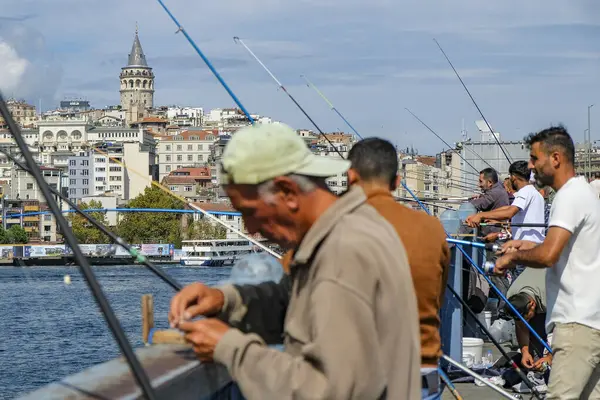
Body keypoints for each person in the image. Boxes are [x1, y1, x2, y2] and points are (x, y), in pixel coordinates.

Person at [169, 123, 421, 399]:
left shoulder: (342, 254)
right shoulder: (358, 226)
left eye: (249, 211)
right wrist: (224, 301)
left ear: (288, 192)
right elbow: (297, 310)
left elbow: (330, 391)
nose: (250, 228)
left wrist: (230, 349)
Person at [241, 137, 450, 399]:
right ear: (396, 182)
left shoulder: (331, 229)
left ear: (350, 177)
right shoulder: (432, 228)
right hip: (421, 374)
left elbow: (283, 292)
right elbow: (438, 300)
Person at [494, 126, 600, 399]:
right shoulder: (583, 193)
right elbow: (565, 248)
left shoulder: (568, 196)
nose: (531, 167)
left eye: (534, 159)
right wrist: (526, 244)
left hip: (577, 326)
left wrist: (514, 256)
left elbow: (549, 255)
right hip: (591, 322)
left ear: (555, 158)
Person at [466, 160, 546, 277]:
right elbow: (508, 208)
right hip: (531, 249)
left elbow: (509, 212)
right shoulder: (533, 193)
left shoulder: (525, 192)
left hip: (526, 251)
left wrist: (481, 215)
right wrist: (491, 218)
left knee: (516, 290)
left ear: (513, 177)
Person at [503, 268, 551, 372]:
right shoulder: (512, 295)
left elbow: (562, 329)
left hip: (561, 295)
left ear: (532, 305)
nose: (524, 322)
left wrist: (550, 357)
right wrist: (524, 352)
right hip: (538, 286)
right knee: (534, 352)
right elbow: (521, 326)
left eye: (526, 318)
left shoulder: (549, 295)